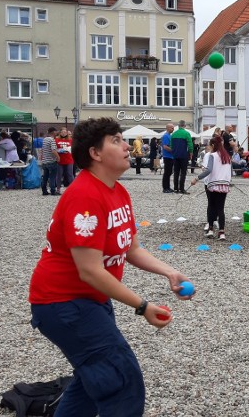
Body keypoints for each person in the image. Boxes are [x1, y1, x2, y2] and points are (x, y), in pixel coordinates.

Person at [28, 117, 192, 415]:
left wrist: (169, 271)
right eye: (116, 140)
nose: (127, 145)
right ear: (95, 153)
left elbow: (132, 249)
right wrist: (142, 306)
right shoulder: (85, 196)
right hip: (62, 303)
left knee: (93, 382)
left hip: (89, 301)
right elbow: (89, 270)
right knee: (120, 379)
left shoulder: (117, 191)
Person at [191, 135, 232, 241]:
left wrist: (197, 178)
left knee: (211, 206)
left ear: (213, 145)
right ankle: (222, 232)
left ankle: (210, 230)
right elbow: (229, 171)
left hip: (213, 184)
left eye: (210, 145)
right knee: (220, 208)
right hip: (224, 184)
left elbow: (208, 170)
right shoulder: (227, 156)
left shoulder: (212, 155)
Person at [171, 120, 193, 193]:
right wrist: (191, 153)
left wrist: (173, 153)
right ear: (185, 125)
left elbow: (171, 146)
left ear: (178, 125)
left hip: (175, 155)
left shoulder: (173, 134)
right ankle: (182, 188)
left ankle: (175, 189)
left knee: (176, 172)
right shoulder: (187, 133)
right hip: (184, 155)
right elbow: (190, 145)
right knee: (183, 172)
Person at [39, 127, 59, 196]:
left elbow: (43, 149)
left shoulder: (45, 139)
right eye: (56, 132)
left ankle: (44, 191)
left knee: (45, 177)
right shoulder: (52, 140)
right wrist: (58, 157)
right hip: (51, 161)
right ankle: (53, 191)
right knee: (52, 177)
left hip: (45, 161)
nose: (57, 133)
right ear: (53, 132)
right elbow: (53, 150)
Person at [161, 122, 175, 193]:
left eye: (173, 128)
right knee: (167, 172)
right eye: (172, 128)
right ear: (168, 128)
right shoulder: (166, 136)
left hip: (170, 157)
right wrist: (173, 150)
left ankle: (168, 187)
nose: (173, 129)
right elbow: (165, 146)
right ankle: (165, 188)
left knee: (169, 172)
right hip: (167, 156)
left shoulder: (170, 136)